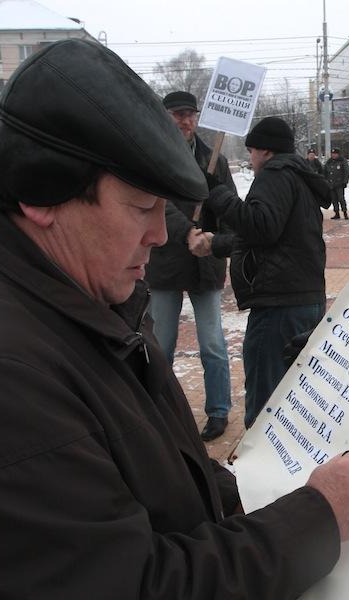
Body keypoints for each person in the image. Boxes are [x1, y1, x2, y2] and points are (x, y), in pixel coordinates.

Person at [0, 39, 349, 599]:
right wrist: (319, 518)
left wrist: (263, 499)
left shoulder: (81, 297)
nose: (157, 232)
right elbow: (136, 585)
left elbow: (170, 470)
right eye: (141, 205)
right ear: (40, 193)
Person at [202, 116, 331, 429]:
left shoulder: (274, 174)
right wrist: (216, 243)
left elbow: (260, 227)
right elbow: (276, 237)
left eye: (251, 151)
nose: (251, 159)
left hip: (279, 307)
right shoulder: (299, 176)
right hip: (306, 299)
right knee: (294, 398)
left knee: (265, 405)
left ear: (266, 151)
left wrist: (217, 194)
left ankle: (259, 470)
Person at [145, 90, 235, 442]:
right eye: (178, 114)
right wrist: (187, 233)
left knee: (212, 343)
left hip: (205, 262)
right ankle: (158, 410)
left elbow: (229, 204)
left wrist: (221, 241)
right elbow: (156, 204)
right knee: (160, 343)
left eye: (190, 114)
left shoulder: (215, 159)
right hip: (166, 259)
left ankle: (218, 411)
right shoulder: (155, 156)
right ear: (165, 116)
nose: (185, 121)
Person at [324, 147, 349, 220]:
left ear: (338, 154)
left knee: (341, 199)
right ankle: (336, 213)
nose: (334, 155)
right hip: (331, 184)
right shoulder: (329, 162)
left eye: (335, 154)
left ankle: (345, 212)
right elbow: (325, 172)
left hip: (339, 184)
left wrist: (345, 182)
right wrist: (326, 182)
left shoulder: (342, 161)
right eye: (333, 154)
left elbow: (346, 172)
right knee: (334, 200)